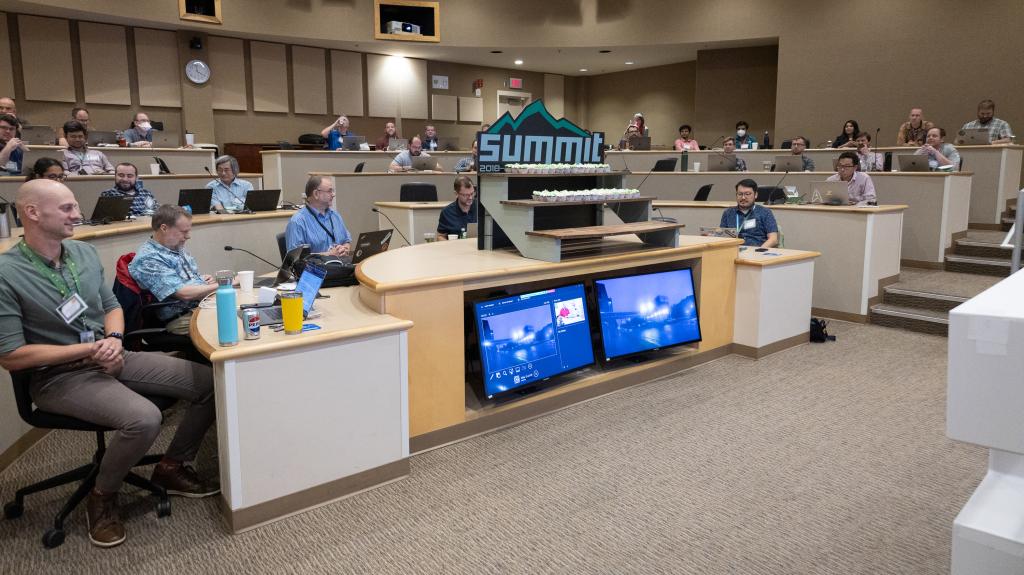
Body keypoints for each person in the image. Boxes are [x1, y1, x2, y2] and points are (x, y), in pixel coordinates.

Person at [0, 179, 217, 548]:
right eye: (67, 208)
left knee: (212, 382)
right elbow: (11, 356)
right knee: (145, 418)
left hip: (110, 354)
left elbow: (112, 307)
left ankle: (171, 467)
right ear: (33, 213)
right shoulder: (7, 272)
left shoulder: (82, 255)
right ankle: (102, 495)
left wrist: (114, 340)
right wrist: (88, 351)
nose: (77, 214)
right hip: (59, 376)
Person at [129, 205, 222, 335]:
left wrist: (201, 280)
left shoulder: (175, 247)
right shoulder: (149, 259)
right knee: (227, 323)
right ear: (164, 228)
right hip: (179, 318)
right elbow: (184, 293)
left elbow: (185, 280)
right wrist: (225, 284)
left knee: (243, 309)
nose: (188, 236)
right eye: (184, 232)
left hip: (199, 306)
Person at [285, 175, 351, 256]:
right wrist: (328, 255)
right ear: (316, 194)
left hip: (341, 264)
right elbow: (296, 259)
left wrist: (345, 249)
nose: (333, 194)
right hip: (316, 268)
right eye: (329, 191)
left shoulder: (335, 216)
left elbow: (347, 241)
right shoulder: (298, 222)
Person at [719, 178, 778, 248]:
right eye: (740, 194)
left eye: (747, 194)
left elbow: (773, 239)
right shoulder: (728, 213)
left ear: (755, 195)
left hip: (757, 252)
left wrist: (758, 251)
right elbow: (722, 237)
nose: (743, 197)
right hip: (733, 251)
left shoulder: (765, 212)